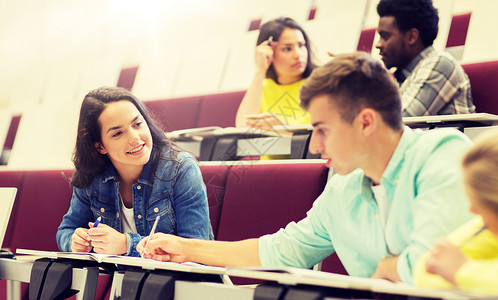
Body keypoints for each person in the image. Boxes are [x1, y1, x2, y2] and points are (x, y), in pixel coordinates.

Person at [137, 52, 473, 283]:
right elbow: (281, 251)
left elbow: (436, 268)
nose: (314, 146)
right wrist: (185, 249)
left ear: (366, 122)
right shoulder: (342, 188)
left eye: (323, 130)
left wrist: (393, 267)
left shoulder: (444, 156)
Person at [56, 87, 213, 257]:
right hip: (126, 282)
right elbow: (66, 230)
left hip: (180, 282)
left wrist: (126, 244)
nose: (135, 138)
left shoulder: (181, 169)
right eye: (118, 133)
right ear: (100, 146)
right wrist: (74, 241)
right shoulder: (92, 176)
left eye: (137, 124)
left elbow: (197, 250)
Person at [413, 132, 498, 295]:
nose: (471, 211)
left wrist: (462, 271)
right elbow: (426, 270)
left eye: (477, 203)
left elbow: (449, 269)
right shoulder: (486, 227)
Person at [375, 0, 475, 116]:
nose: (378, 44)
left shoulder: (440, 64)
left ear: (412, 37)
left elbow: (397, 123)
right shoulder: (403, 75)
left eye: (384, 36)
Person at [235, 17, 316, 131]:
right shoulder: (263, 86)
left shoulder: (321, 83)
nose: (298, 54)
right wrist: (260, 70)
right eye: (287, 49)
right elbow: (243, 127)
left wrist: (284, 129)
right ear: (270, 52)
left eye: (301, 45)